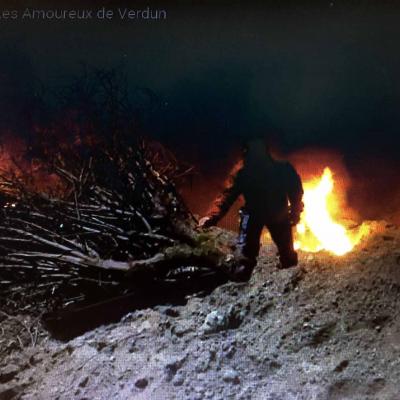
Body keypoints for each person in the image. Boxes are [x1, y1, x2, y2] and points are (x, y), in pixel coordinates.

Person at [199, 139, 304, 281]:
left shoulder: (280, 169)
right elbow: (226, 196)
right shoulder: (244, 173)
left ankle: (291, 280)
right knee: (245, 257)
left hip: (276, 213)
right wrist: (211, 216)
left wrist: (296, 210)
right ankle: (241, 278)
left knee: (287, 254)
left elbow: (295, 190)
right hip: (258, 213)